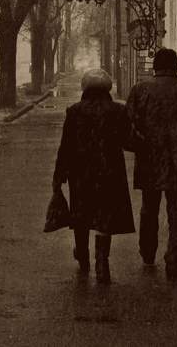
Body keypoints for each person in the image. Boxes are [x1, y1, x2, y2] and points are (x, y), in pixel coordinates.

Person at [126, 48, 177, 280]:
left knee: (149, 208)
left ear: (155, 67)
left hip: (149, 161)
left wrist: (141, 146)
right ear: (176, 66)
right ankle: (174, 262)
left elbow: (128, 125)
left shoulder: (140, 90)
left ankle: (148, 252)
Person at [53, 68, 135, 284]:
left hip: (81, 173)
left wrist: (59, 175)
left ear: (84, 88)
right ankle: (102, 262)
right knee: (104, 217)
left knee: (81, 213)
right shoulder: (118, 111)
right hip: (109, 172)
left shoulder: (75, 111)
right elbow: (129, 141)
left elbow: (66, 146)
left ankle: (82, 254)